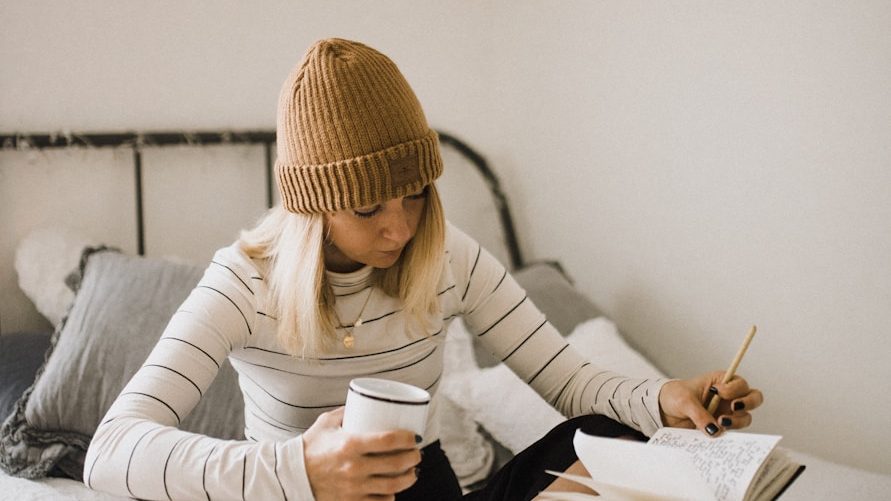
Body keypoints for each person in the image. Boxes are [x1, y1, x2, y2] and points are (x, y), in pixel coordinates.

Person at [83, 38, 763, 501]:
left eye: (414, 194)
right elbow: (108, 450)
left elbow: (572, 381)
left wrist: (663, 398)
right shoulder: (244, 282)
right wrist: (298, 468)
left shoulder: (447, 257)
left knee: (617, 438)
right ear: (313, 209)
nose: (399, 228)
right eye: (367, 207)